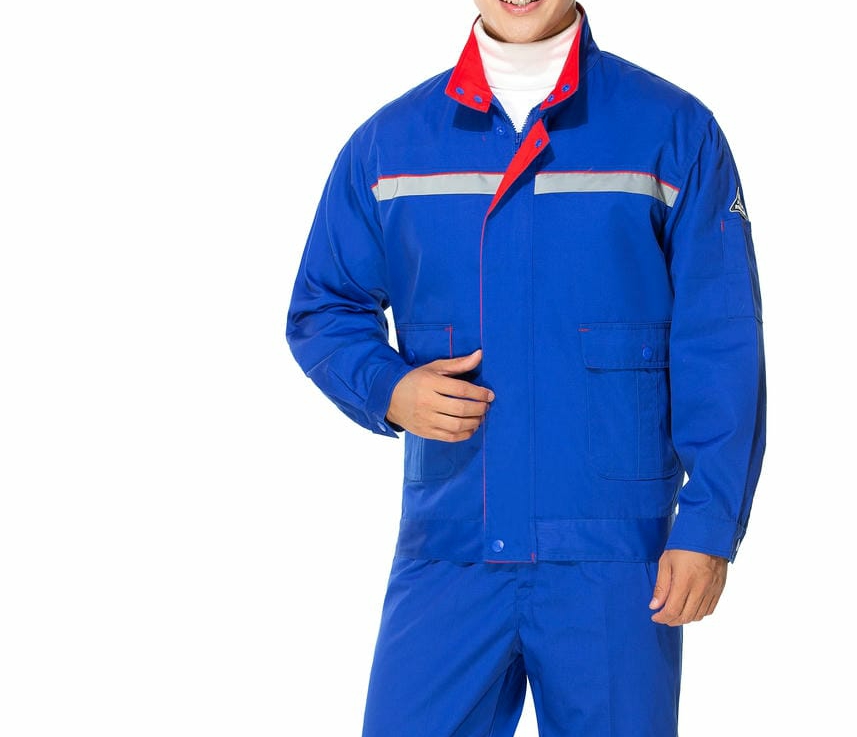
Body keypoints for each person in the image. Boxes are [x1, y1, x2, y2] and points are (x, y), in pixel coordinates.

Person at [285, 1, 766, 734]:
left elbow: (719, 339)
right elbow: (324, 306)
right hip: (449, 545)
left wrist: (707, 525)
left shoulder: (672, 131)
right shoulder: (390, 144)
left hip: (616, 561)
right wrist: (389, 388)